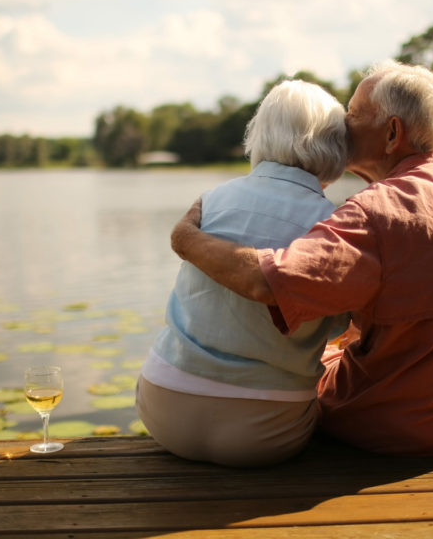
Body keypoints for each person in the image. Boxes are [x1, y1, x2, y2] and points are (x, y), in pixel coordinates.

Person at [170, 60, 433, 456]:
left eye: (354, 114)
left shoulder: (378, 210)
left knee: (297, 365)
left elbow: (265, 282)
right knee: (329, 346)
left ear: (393, 133)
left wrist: (186, 238)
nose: (342, 124)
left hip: (407, 427)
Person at [136, 80, 351, 467]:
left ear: (260, 134)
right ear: (336, 146)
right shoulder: (334, 224)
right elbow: (337, 326)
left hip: (162, 409)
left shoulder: (210, 201)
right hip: (265, 432)